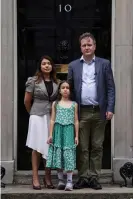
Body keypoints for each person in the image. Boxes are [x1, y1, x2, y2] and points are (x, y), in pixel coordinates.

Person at [67, 32, 115, 190]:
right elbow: (69, 88)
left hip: (99, 111)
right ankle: (82, 177)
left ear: (94, 46)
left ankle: (94, 177)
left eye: (89, 45)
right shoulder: (73, 65)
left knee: (97, 146)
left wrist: (110, 108)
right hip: (82, 112)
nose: (87, 47)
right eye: (84, 45)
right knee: (82, 146)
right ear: (80, 48)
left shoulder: (104, 64)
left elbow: (110, 88)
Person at [24, 55, 58, 190]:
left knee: (49, 146)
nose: (47, 65)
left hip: (51, 117)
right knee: (37, 147)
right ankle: (35, 177)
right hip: (37, 116)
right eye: (44, 63)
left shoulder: (57, 82)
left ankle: (48, 177)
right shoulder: (33, 81)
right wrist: (32, 113)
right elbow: (27, 101)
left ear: (52, 66)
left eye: (49, 63)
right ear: (40, 66)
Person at [46, 81, 79, 191]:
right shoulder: (56, 104)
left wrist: (76, 136)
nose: (65, 89)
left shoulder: (74, 104)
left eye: (67, 88)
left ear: (70, 91)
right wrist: (50, 134)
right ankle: (60, 180)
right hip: (58, 131)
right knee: (59, 154)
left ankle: (69, 182)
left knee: (68, 154)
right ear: (59, 90)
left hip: (69, 131)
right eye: (63, 87)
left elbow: (76, 121)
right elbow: (52, 120)